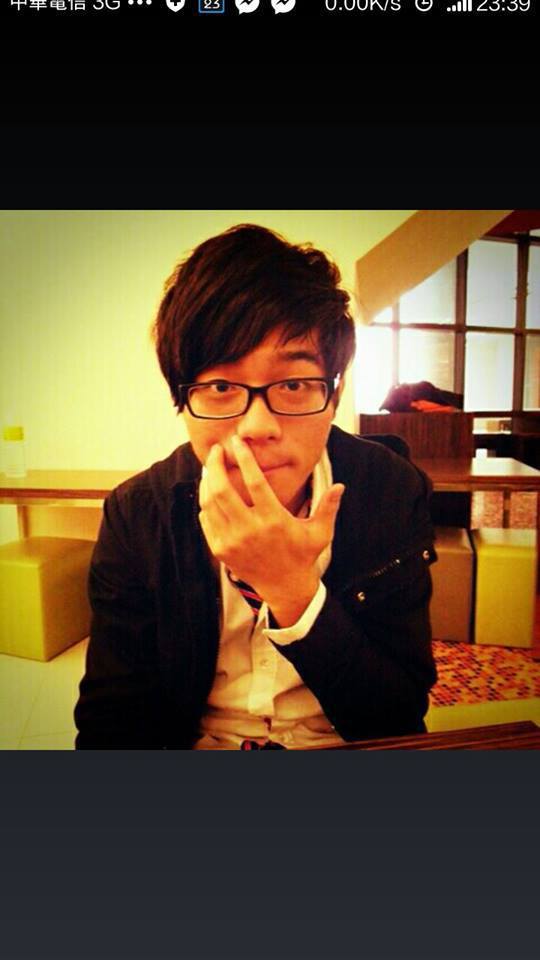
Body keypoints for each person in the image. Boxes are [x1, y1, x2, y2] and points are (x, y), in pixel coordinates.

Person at [74, 223, 437, 749]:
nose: (258, 426)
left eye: (293, 384)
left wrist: (293, 590)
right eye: (221, 386)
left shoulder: (390, 490)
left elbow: (397, 717)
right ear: (182, 400)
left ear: (334, 396)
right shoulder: (138, 514)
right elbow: (112, 726)